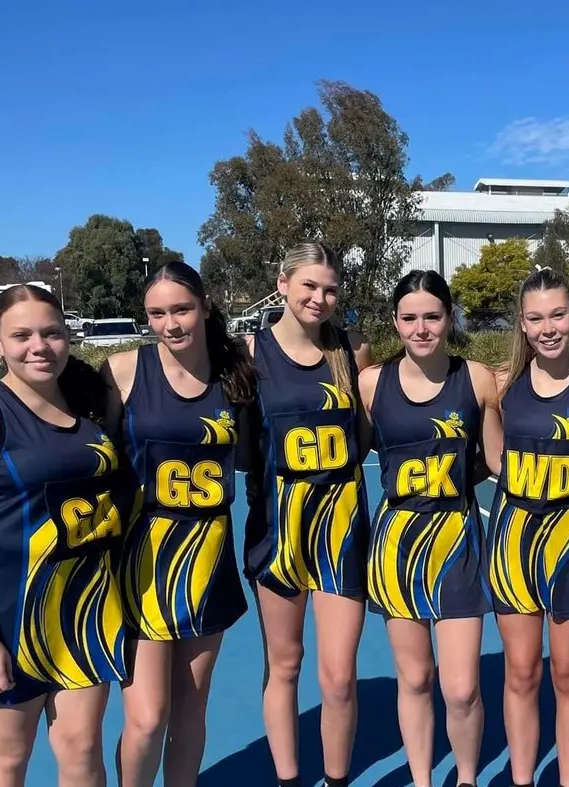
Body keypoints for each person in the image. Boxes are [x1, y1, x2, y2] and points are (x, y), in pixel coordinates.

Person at [0, 283, 133, 785]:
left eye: (51, 333)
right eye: (21, 335)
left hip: (85, 609)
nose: (38, 347)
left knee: (83, 750)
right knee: (8, 755)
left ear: (69, 337)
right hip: (9, 614)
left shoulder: (87, 405)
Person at [101, 260, 256, 786]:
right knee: (147, 718)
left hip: (209, 563)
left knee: (191, 710)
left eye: (182, 309)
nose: (171, 323)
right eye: (157, 313)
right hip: (141, 569)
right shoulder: (123, 371)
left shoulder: (235, 373)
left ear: (206, 306)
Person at [359, 270, 502, 787]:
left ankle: (465, 778)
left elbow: (500, 460)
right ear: (395, 321)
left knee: (461, 688)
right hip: (397, 545)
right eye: (409, 317)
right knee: (416, 678)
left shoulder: (477, 378)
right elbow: (349, 453)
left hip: (458, 541)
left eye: (433, 316)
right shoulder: (372, 382)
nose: (421, 328)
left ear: (449, 317)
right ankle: (422, 780)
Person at [243, 242, 375, 787]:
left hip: (342, 533)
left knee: (340, 677)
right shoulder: (248, 355)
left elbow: (370, 436)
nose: (320, 299)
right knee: (286, 665)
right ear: (282, 284)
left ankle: (338, 779)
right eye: (309, 287)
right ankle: (289, 777)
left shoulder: (353, 351)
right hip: (277, 534)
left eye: (330, 289)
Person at [484, 267, 569, 787]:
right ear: (522, 323)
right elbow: (493, 457)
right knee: (521, 672)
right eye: (535, 318)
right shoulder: (500, 384)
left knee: (568, 673)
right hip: (515, 543)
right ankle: (521, 778)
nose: (548, 328)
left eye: (557, 314)